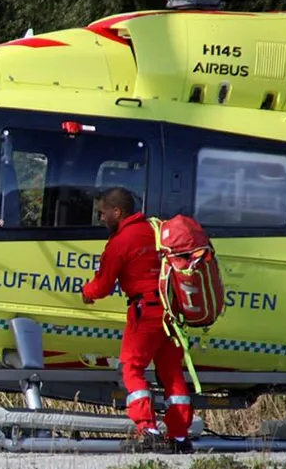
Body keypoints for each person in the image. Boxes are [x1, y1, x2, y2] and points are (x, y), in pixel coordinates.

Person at [80, 187, 193, 454]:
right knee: (172, 373)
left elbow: (103, 285)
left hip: (147, 311)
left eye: (103, 213)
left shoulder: (121, 241)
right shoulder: (155, 230)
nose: (102, 218)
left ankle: (148, 429)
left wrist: (86, 293)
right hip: (172, 311)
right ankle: (179, 436)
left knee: (132, 368)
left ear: (117, 211)